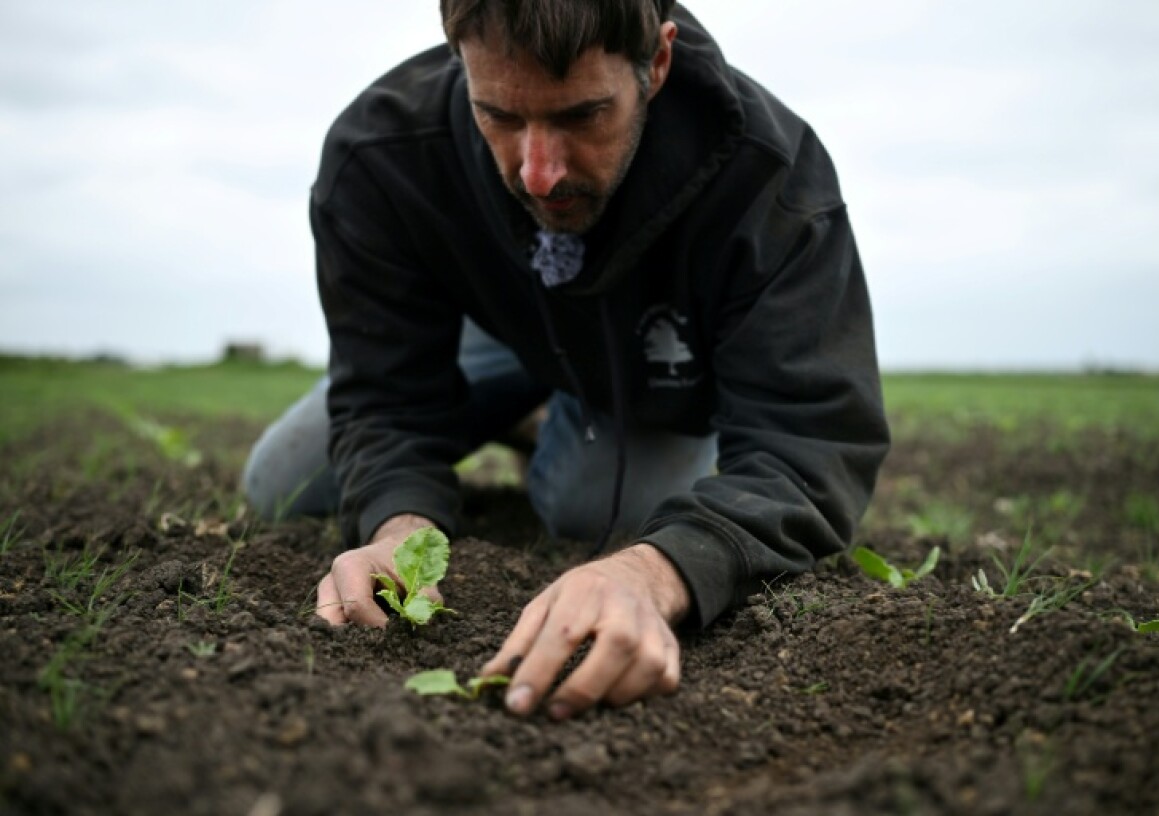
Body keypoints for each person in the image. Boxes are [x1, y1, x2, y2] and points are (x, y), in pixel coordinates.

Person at [242, 0, 889, 721]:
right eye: (500, 117)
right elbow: (385, 398)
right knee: (281, 480)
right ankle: (524, 413)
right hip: (499, 328)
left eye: (582, 116)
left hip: (647, 365)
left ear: (659, 62)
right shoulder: (381, 152)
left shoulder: (768, 175)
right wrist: (399, 526)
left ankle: (556, 420)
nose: (540, 173)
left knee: (603, 517)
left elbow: (809, 441)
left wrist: (653, 571)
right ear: (459, 59)